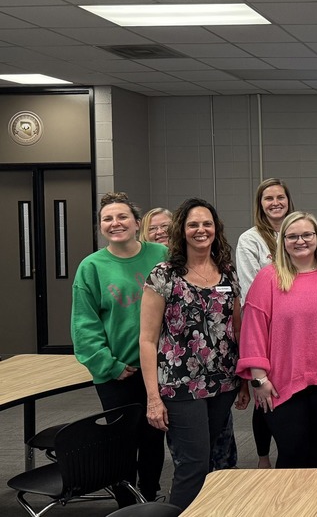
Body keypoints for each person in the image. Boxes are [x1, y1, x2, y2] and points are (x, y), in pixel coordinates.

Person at [139, 198, 248, 510]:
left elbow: (237, 331)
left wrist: (241, 380)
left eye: (207, 224)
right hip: (180, 385)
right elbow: (147, 340)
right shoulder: (164, 275)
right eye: (193, 224)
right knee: (193, 465)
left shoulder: (227, 273)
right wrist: (153, 397)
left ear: (216, 229)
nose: (201, 230)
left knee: (215, 461)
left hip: (222, 384)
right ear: (181, 231)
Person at [71, 192, 167, 505]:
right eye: (108, 219)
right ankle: (127, 505)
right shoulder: (92, 267)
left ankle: (150, 498)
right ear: (100, 227)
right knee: (121, 443)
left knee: (154, 438)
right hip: (119, 372)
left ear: (138, 223)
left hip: (161, 367)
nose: (116, 223)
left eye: (122, 216)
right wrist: (110, 365)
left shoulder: (162, 254)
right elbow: (84, 326)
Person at [238, 212, 317, 468]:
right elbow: (253, 330)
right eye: (292, 236)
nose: (300, 241)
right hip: (283, 384)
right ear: (283, 241)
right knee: (294, 454)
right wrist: (259, 379)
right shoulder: (268, 277)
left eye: (306, 235)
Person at [234, 177, 294, 470]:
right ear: (260, 204)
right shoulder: (250, 239)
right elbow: (249, 289)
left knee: (289, 392)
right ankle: (262, 456)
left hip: (294, 327)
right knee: (264, 390)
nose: (275, 203)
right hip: (266, 327)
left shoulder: (297, 231)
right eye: (268, 198)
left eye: (280, 197)